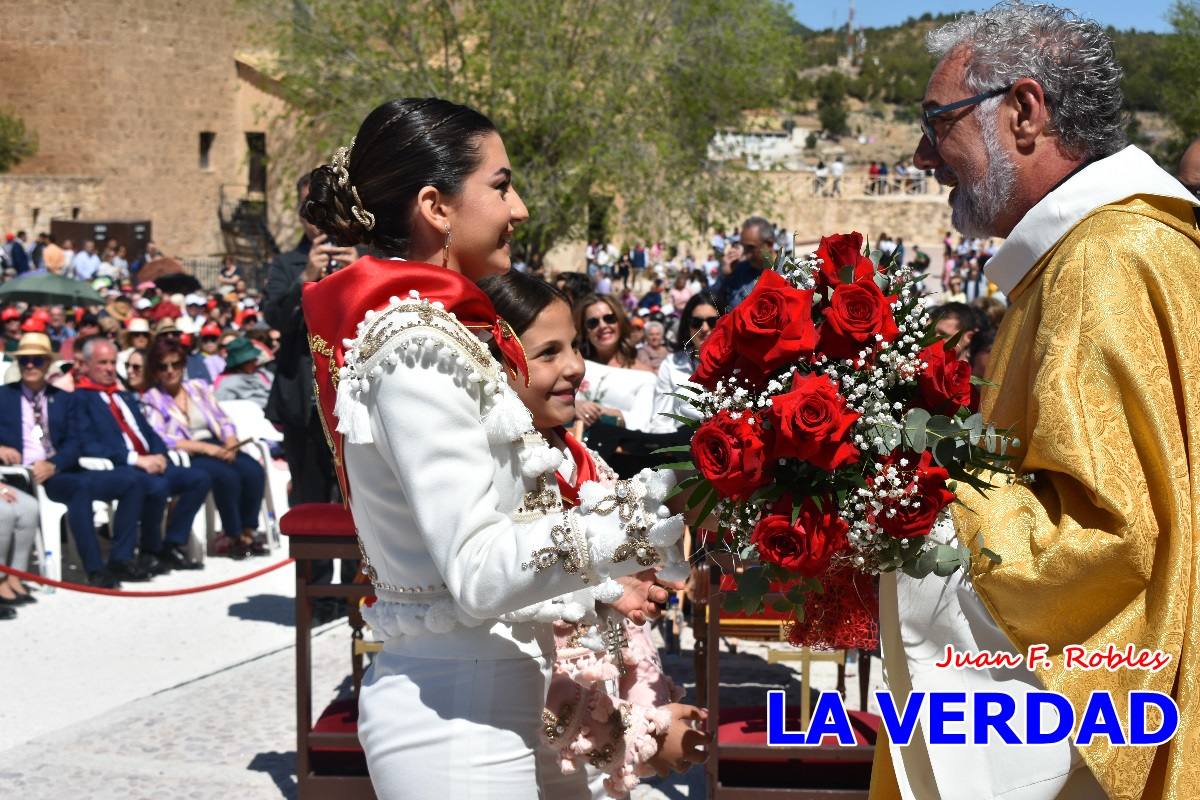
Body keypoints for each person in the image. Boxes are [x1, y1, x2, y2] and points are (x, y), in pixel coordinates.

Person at [298, 97, 685, 799]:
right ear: (435, 207)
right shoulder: (415, 350)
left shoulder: (443, 338)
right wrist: (651, 519)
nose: (520, 208)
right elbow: (477, 570)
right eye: (501, 185)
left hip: (496, 692)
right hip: (457, 717)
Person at [872, 5, 1200, 800]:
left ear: (1024, 111)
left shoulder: (1104, 262)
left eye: (936, 122)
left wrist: (893, 501)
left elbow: (1109, 540)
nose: (921, 156)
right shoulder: (1111, 249)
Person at [477, 270, 705, 797]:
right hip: (526, 737)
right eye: (549, 352)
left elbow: (623, 622)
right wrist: (639, 735)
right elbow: (537, 650)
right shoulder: (501, 482)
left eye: (574, 347)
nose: (577, 367)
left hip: (593, 724)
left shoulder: (577, 458)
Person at [0, 333, 148, 587]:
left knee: (133, 481)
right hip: (24, 473)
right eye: (25, 361)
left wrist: (54, 463)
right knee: (79, 490)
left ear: (47, 364)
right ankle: (94, 569)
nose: (31, 366)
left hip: (59, 469)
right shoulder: (4, 397)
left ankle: (121, 559)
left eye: (37, 360)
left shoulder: (63, 399)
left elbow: (75, 442)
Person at [74, 336, 209, 573]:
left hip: (150, 461)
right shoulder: (80, 399)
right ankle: (146, 551)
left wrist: (160, 455)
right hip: (121, 466)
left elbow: (148, 432)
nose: (108, 368)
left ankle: (172, 543)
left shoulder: (123, 396)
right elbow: (87, 445)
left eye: (112, 362)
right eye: (102, 363)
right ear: (85, 365)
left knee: (198, 478)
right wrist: (136, 459)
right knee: (154, 486)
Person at [141, 338, 267, 559]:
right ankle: (233, 534)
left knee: (253, 471)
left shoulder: (197, 387)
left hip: (216, 443)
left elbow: (222, 418)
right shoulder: (152, 398)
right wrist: (205, 448)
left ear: (183, 365)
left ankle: (248, 531)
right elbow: (161, 436)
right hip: (190, 453)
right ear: (155, 370)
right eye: (163, 366)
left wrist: (230, 440)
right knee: (227, 477)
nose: (170, 371)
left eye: (175, 364)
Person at [648, 293, 719, 434]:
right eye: (696, 322)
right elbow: (661, 421)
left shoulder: (739, 362)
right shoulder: (671, 364)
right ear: (687, 325)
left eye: (712, 321)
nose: (704, 328)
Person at [714, 216, 774, 311]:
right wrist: (725, 276)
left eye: (751, 248)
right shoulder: (738, 271)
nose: (746, 254)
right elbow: (715, 306)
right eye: (744, 248)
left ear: (769, 244)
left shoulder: (791, 273)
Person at [214, 337, 274, 408]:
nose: (255, 362)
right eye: (250, 361)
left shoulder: (262, 373)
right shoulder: (226, 382)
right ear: (240, 364)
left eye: (255, 359)